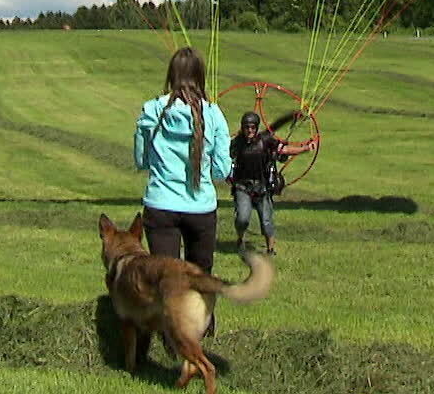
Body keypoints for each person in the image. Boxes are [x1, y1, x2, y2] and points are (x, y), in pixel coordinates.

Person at [133, 47, 233, 280]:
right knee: (200, 283)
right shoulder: (213, 113)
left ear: (171, 75)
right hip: (201, 207)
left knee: (165, 282)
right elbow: (221, 170)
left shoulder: (152, 109)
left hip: (161, 204)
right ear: (200, 76)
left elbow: (141, 160)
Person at [230, 111, 316, 256]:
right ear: (242, 127)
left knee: (266, 222)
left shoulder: (266, 140)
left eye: (252, 127)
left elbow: (284, 150)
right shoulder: (237, 143)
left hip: (262, 188)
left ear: (257, 128)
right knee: (242, 219)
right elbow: (223, 156)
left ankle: (270, 250)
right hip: (242, 187)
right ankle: (240, 239)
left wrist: (305, 148)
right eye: (246, 127)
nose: (249, 130)